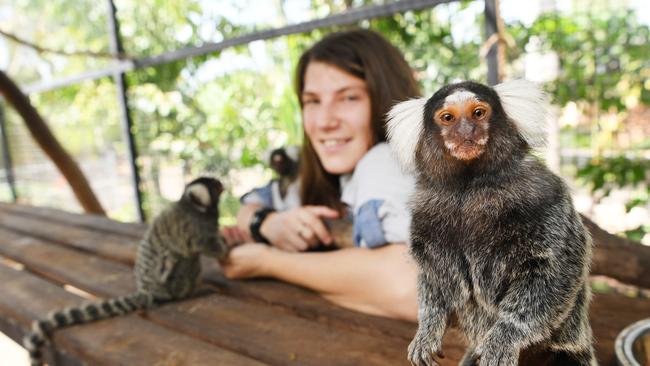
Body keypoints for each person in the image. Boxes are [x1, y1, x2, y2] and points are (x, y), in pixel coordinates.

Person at [220, 29, 421, 321]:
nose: (325, 121)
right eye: (313, 101)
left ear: (386, 101)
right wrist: (267, 223)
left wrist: (268, 263)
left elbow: (413, 288)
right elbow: (253, 204)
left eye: (348, 98)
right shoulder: (327, 172)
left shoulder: (385, 162)